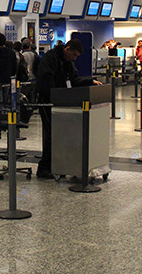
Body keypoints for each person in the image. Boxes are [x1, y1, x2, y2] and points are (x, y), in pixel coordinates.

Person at [35, 38, 101, 179]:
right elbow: (46, 80)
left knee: (60, 134)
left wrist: (90, 81)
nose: (75, 59)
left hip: (61, 101)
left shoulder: (68, 62)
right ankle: (44, 168)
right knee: (51, 134)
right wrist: (55, 96)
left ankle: (60, 165)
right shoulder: (51, 58)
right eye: (74, 55)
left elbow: (74, 79)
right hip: (48, 101)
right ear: (67, 49)